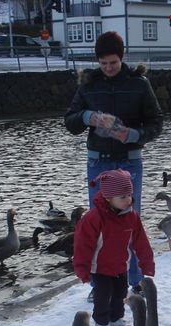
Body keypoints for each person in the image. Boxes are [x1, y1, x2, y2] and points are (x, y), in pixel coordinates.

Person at [64, 31, 163, 296]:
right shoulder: (88, 85)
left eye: (113, 62)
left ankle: (136, 280)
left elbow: (157, 123)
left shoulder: (139, 84)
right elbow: (69, 121)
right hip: (99, 165)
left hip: (129, 163)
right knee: (99, 228)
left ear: (122, 57)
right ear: (97, 61)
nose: (108, 68)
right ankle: (100, 285)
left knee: (130, 223)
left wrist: (133, 135)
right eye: (103, 63)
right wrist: (87, 117)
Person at [73, 169, 155, 326]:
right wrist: (82, 269)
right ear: (108, 198)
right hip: (100, 268)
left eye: (130, 195)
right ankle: (101, 321)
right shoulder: (94, 218)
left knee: (120, 294)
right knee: (103, 296)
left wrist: (146, 263)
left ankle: (116, 318)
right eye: (123, 197)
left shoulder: (131, 216)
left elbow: (141, 241)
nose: (128, 200)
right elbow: (82, 245)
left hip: (120, 265)